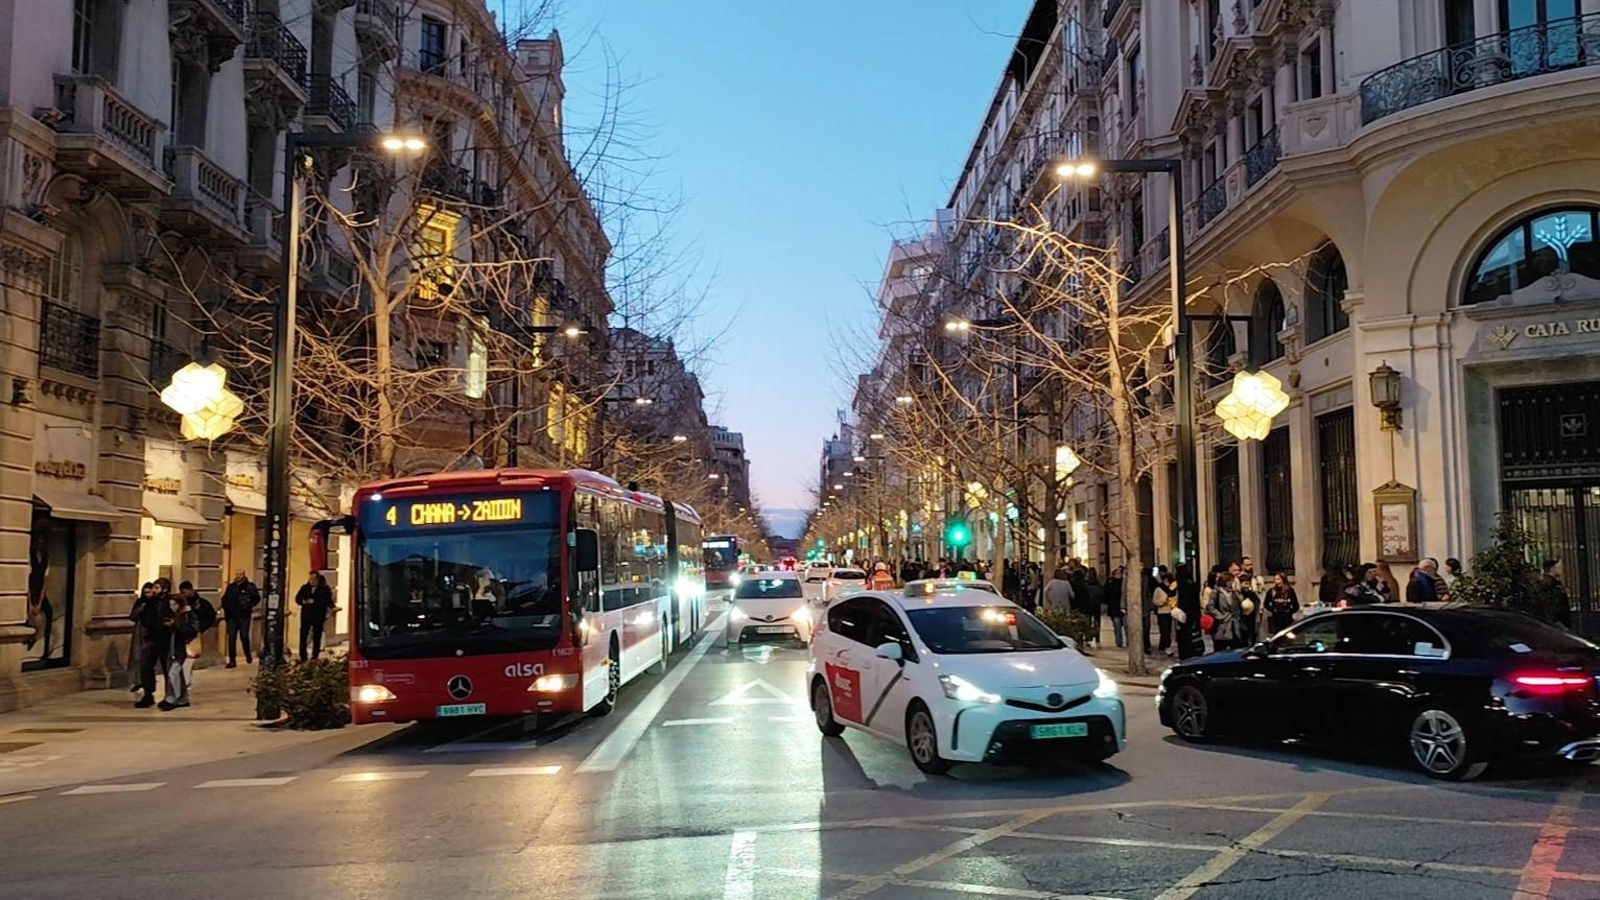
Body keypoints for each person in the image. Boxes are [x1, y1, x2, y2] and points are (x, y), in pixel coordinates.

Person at [159, 591, 199, 711]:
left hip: (180, 648)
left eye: (174, 605)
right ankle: (182, 698)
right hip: (170, 647)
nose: (172, 607)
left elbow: (192, 630)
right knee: (176, 673)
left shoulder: (187, 615)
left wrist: (176, 625)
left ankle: (172, 698)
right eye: (171, 605)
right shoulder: (172, 615)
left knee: (173, 672)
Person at [220, 569, 260, 668]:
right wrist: (226, 609)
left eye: (240, 574)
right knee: (232, 638)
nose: (238, 576)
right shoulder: (231, 587)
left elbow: (256, 598)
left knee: (244, 636)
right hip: (232, 616)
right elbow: (224, 599)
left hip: (244, 616)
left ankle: (247, 654)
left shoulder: (250, 586)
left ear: (244, 575)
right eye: (237, 574)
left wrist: (248, 605)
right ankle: (232, 661)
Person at [296, 572, 334, 661]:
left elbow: (327, 600)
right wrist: (303, 601)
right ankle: (303, 655)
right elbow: (297, 598)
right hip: (306, 615)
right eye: (310, 579)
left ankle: (315, 655)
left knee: (317, 635)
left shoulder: (324, 589)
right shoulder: (304, 588)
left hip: (318, 615)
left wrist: (315, 601)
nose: (311, 581)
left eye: (313, 579)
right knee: (303, 635)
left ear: (318, 580)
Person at [1206, 564, 1245, 651]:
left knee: (1236, 647)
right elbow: (1210, 607)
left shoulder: (1234, 593)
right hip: (1222, 625)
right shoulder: (1216, 592)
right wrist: (1221, 616)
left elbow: (1239, 606)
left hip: (1234, 624)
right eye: (1230, 581)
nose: (1231, 583)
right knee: (1220, 648)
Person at [1151, 567, 1178, 656]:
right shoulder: (1158, 589)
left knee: (1169, 630)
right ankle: (1164, 646)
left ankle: (1166, 645)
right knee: (1164, 630)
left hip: (1170, 611)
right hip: (1161, 612)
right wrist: (1161, 602)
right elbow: (1154, 600)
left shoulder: (1172, 589)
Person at [1103, 566, 1126, 649]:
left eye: (1120, 573)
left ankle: (1128, 642)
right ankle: (1119, 642)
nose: (1119, 575)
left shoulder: (1124, 582)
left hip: (1124, 608)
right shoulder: (1110, 582)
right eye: (1117, 573)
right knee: (1117, 626)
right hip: (1114, 608)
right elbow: (1106, 595)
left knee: (1126, 626)